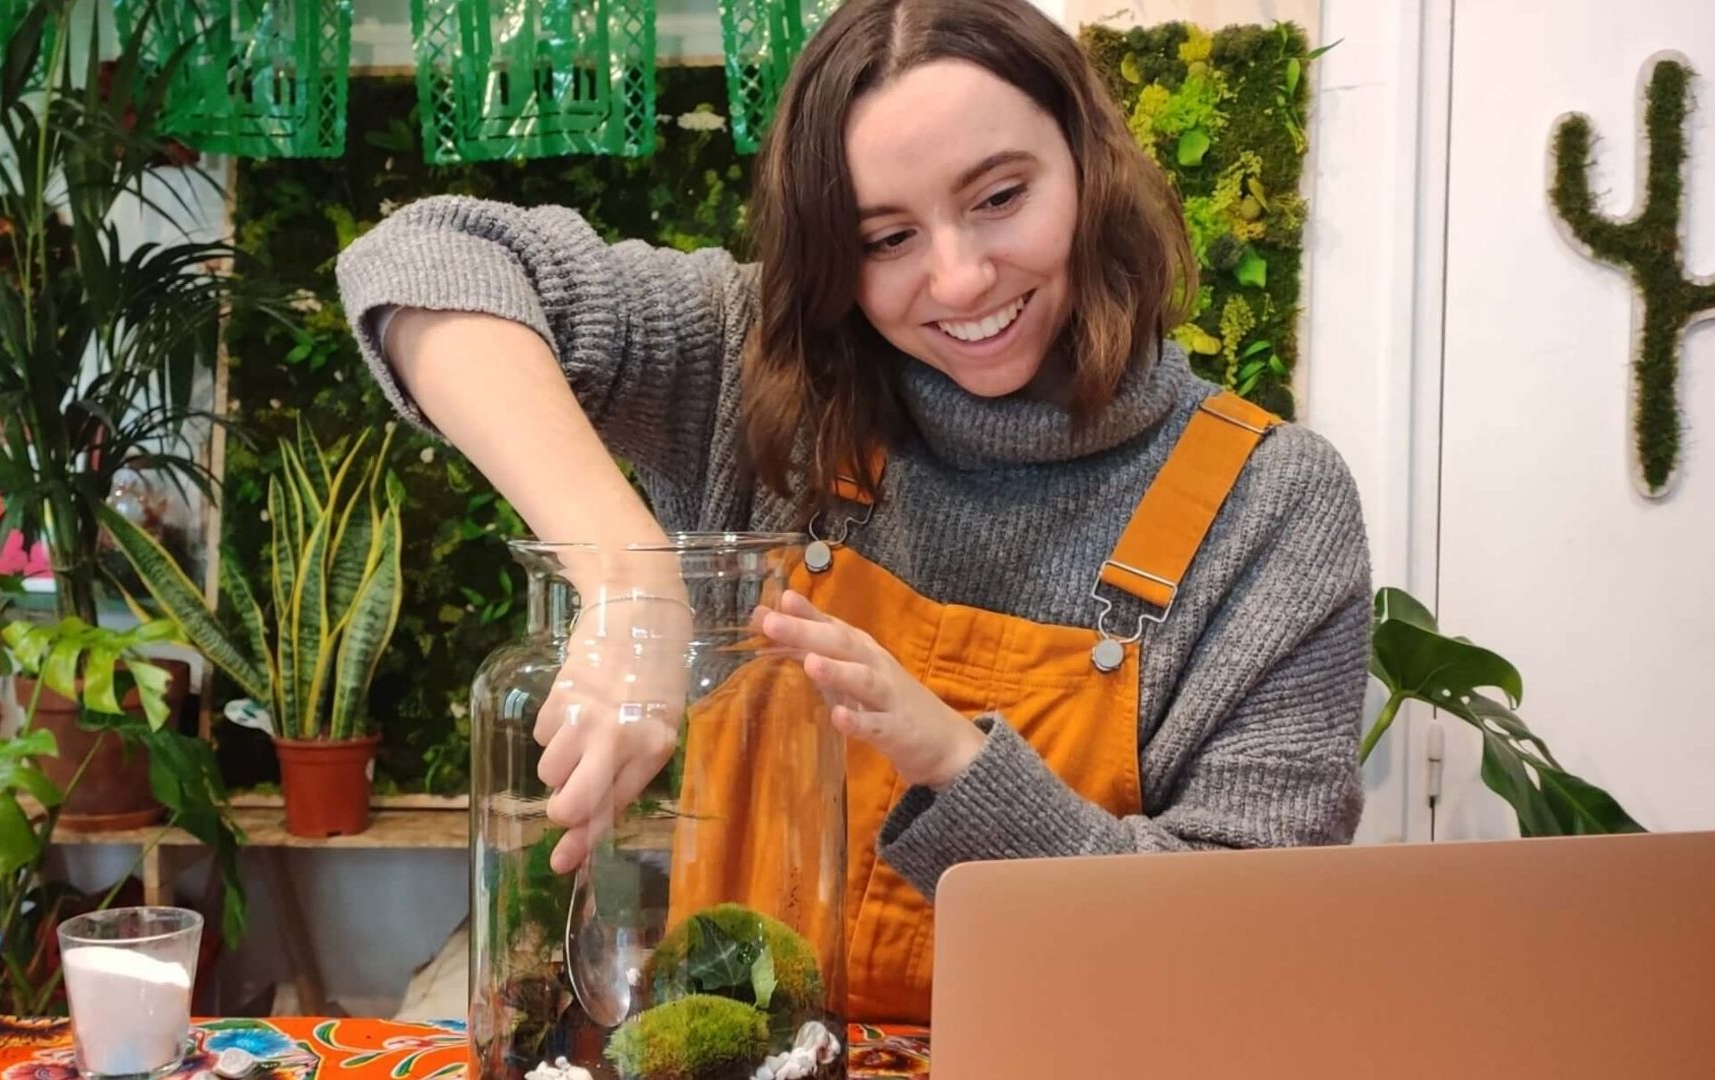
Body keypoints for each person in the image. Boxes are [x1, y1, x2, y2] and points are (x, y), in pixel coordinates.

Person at [336, 0, 1371, 1024]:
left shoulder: (1273, 506)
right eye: (885, 238)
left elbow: (1249, 943)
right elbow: (423, 258)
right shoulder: (754, 369)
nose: (961, 278)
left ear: (1091, 163)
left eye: (1002, 196)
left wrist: (956, 765)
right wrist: (632, 584)